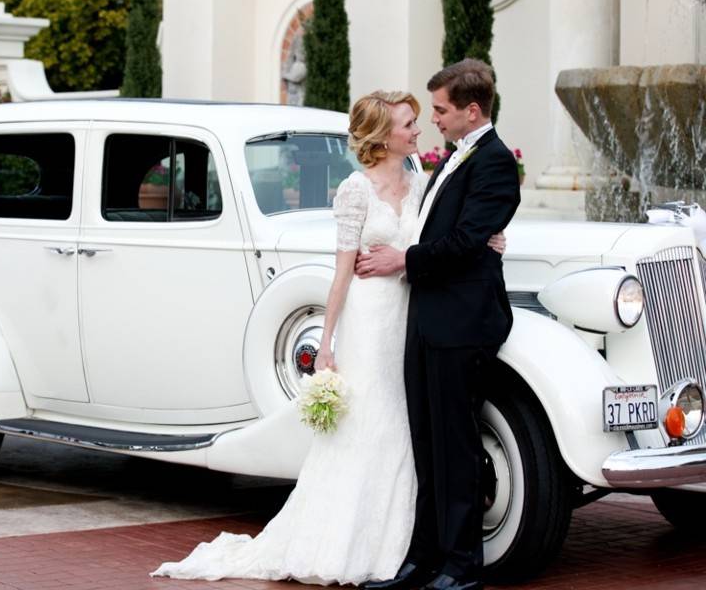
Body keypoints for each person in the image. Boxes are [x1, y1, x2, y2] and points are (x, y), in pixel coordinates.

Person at [151, 90, 506, 586]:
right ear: (383, 136)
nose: (418, 129)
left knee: (408, 430)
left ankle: (410, 544)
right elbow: (341, 273)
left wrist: (489, 237)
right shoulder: (355, 190)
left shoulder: (420, 178)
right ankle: (352, 543)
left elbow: (444, 233)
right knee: (368, 422)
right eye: (408, 123)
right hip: (372, 316)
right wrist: (327, 343)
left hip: (415, 312)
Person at [357, 60, 521, 590]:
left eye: (442, 110)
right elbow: (450, 230)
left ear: (473, 111)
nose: (436, 119)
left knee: (457, 448)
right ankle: (423, 558)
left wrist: (404, 259)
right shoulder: (452, 158)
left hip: (462, 323)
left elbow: (466, 242)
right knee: (426, 444)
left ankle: (461, 564)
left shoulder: (494, 162)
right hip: (426, 320)